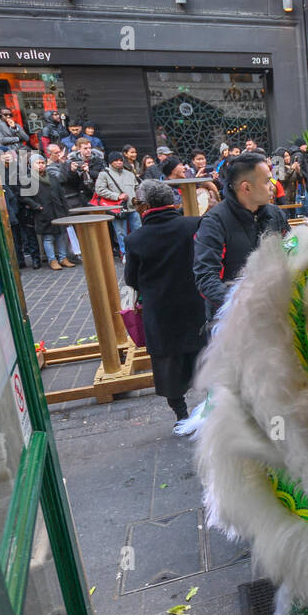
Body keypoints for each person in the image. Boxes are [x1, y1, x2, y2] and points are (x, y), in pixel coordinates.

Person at [124, 180, 207, 429]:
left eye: (137, 203)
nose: (136, 207)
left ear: (146, 206)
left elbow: (131, 279)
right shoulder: (195, 225)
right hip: (197, 305)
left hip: (161, 313)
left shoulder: (135, 239)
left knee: (169, 365)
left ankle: (181, 416)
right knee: (206, 356)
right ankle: (213, 409)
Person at [192, 151, 288, 329]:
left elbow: (290, 254)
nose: (273, 186)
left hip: (277, 316)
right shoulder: (214, 223)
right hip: (232, 325)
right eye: (267, 181)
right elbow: (206, 278)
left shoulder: (275, 214)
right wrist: (245, 303)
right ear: (246, 187)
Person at [27, 152, 74, 270]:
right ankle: (52, 260)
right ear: (31, 165)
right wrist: (37, 206)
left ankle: (63, 258)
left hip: (58, 210)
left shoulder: (52, 177)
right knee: (48, 238)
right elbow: (24, 197)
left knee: (61, 235)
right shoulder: (28, 180)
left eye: (42, 162)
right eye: (38, 163)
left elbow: (61, 194)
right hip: (43, 212)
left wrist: (65, 209)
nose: (41, 165)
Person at [95, 151, 141, 258]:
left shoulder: (129, 174)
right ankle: (125, 253)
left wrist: (137, 198)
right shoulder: (104, 174)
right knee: (121, 233)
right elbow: (99, 190)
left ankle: (139, 250)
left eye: (121, 160)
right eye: (116, 160)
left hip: (133, 207)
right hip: (118, 208)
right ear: (110, 162)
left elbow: (137, 187)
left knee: (138, 230)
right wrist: (116, 196)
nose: (119, 162)